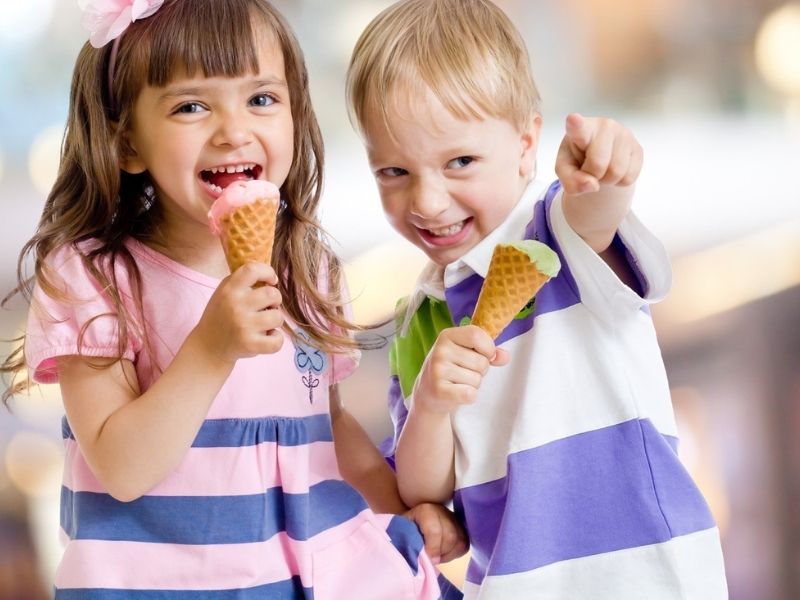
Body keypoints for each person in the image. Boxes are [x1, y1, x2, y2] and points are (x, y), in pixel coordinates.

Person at [0, 0, 466, 597]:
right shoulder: (94, 276)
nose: (234, 130)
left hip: (310, 574)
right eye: (191, 106)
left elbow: (329, 426)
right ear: (126, 143)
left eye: (262, 99)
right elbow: (121, 468)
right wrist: (210, 350)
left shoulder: (307, 268)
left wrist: (397, 511)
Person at [345, 0, 728, 598]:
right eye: (393, 171)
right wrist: (431, 405)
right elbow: (426, 490)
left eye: (460, 162)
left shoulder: (555, 230)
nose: (427, 200)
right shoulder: (419, 317)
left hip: (641, 574)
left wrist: (608, 170)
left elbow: (596, 212)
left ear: (526, 145)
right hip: (509, 583)